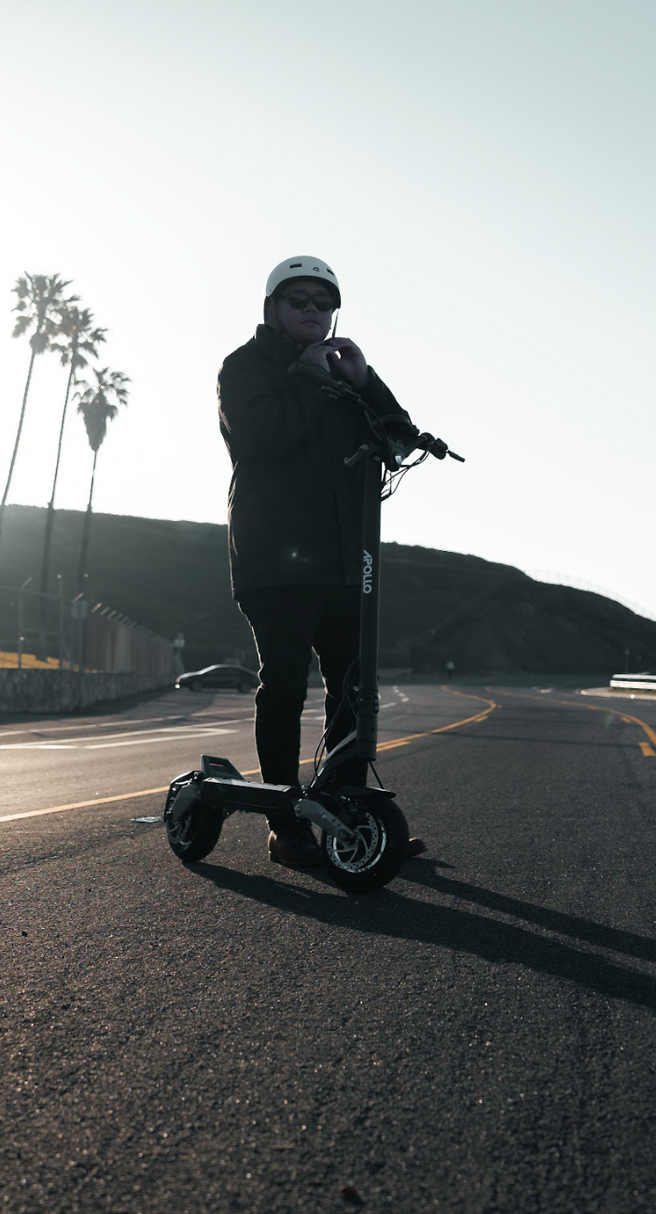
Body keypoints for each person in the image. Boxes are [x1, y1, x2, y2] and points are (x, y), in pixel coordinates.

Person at [217, 255, 414, 867]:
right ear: (272, 306)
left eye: (323, 303)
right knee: (284, 686)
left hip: (345, 562)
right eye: (298, 300)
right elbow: (261, 437)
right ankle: (286, 826)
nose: (312, 310)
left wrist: (366, 381)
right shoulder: (245, 367)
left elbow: (399, 440)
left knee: (353, 689)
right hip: (275, 560)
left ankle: (348, 816)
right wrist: (306, 377)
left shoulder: (341, 374)